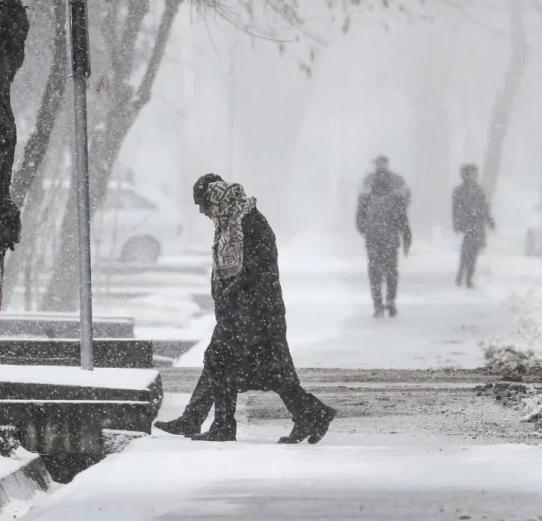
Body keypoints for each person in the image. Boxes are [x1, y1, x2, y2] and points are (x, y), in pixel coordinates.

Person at [154, 174, 336, 444]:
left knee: (221, 362)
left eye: (203, 204)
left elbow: (256, 272)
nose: (202, 211)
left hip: (256, 314)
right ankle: (311, 413)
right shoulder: (230, 224)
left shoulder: (250, 224)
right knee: (268, 373)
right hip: (243, 312)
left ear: (217, 199)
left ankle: (223, 425)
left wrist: (232, 293)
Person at [356, 156, 412, 317]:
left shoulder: (396, 184)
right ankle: (378, 303)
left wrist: (404, 233)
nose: (380, 166)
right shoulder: (369, 184)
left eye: (382, 163)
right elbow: (360, 213)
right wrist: (366, 230)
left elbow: (402, 212)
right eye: (378, 163)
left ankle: (390, 301)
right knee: (376, 272)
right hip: (375, 237)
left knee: (390, 271)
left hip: (389, 237)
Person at [452, 163, 494, 288]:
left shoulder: (479, 190)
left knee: (474, 254)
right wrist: (457, 224)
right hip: (466, 226)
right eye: (473, 172)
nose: (475, 175)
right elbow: (456, 210)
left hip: (478, 226)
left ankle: (468, 278)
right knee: (465, 252)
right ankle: (461, 274)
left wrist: (489, 220)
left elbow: (485, 207)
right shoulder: (459, 191)